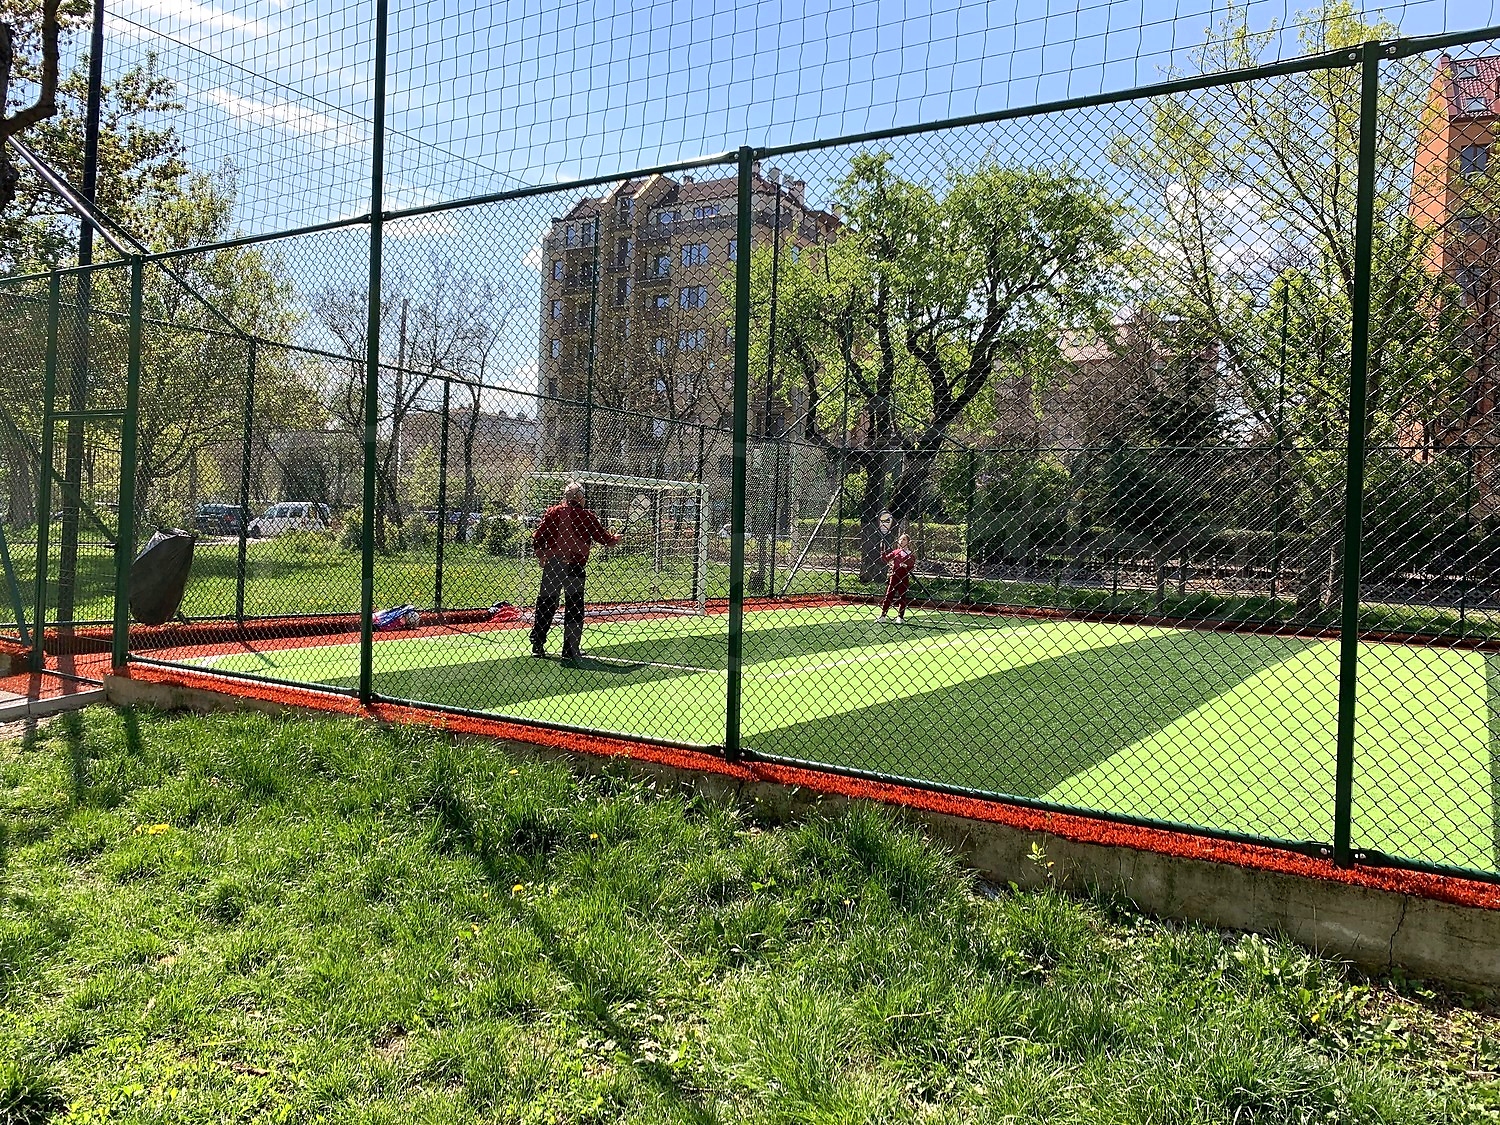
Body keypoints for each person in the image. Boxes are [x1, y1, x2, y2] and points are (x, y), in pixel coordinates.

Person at [529, 481, 621, 660]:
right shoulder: (587, 516)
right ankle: (570, 649)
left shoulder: (553, 512)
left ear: (566, 497)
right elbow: (603, 539)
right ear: (580, 497)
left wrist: (541, 555)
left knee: (546, 604)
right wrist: (615, 539)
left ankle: (538, 642)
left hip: (554, 565)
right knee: (574, 607)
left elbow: (538, 537)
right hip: (575, 567)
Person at [879, 532, 916, 622]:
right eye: (900, 539)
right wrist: (882, 551)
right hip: (894, 577)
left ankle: (900, 617)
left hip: (904, 578)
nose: (901, 541)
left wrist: (906, 566)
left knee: (902, 597)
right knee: (889, 596)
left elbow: (911, 566)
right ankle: (883, 616)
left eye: (904, 539)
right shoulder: (896, 552)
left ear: (908, 542)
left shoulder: (911, 555)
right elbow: (886, 558)